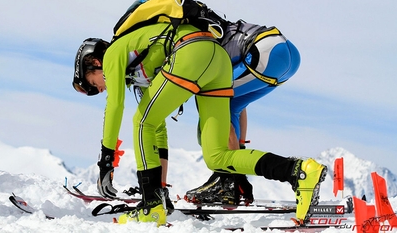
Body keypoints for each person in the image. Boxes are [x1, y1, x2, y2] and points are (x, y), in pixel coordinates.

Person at [72, 16, 326, 226]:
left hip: (192, 51)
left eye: (93, 84)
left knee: (140, 121)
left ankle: (151, 208)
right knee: (217, 156)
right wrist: (160, 189)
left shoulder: (114, 52)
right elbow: (157, 129)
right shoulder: (140, 66)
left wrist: (106, 161)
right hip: (218, 60)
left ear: (94, 62)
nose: (100, 90)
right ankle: (299, 171)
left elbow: (115, 106)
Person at [185, 21, 301, 205]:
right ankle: (229, 179)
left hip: (266, 54)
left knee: (210, 107)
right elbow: (235, 108)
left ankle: (227, 181)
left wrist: (236, 170)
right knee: (231, 104)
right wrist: (239, 152)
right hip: (286, 56)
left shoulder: (190, 50)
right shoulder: (207, 31)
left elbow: (221, 116)